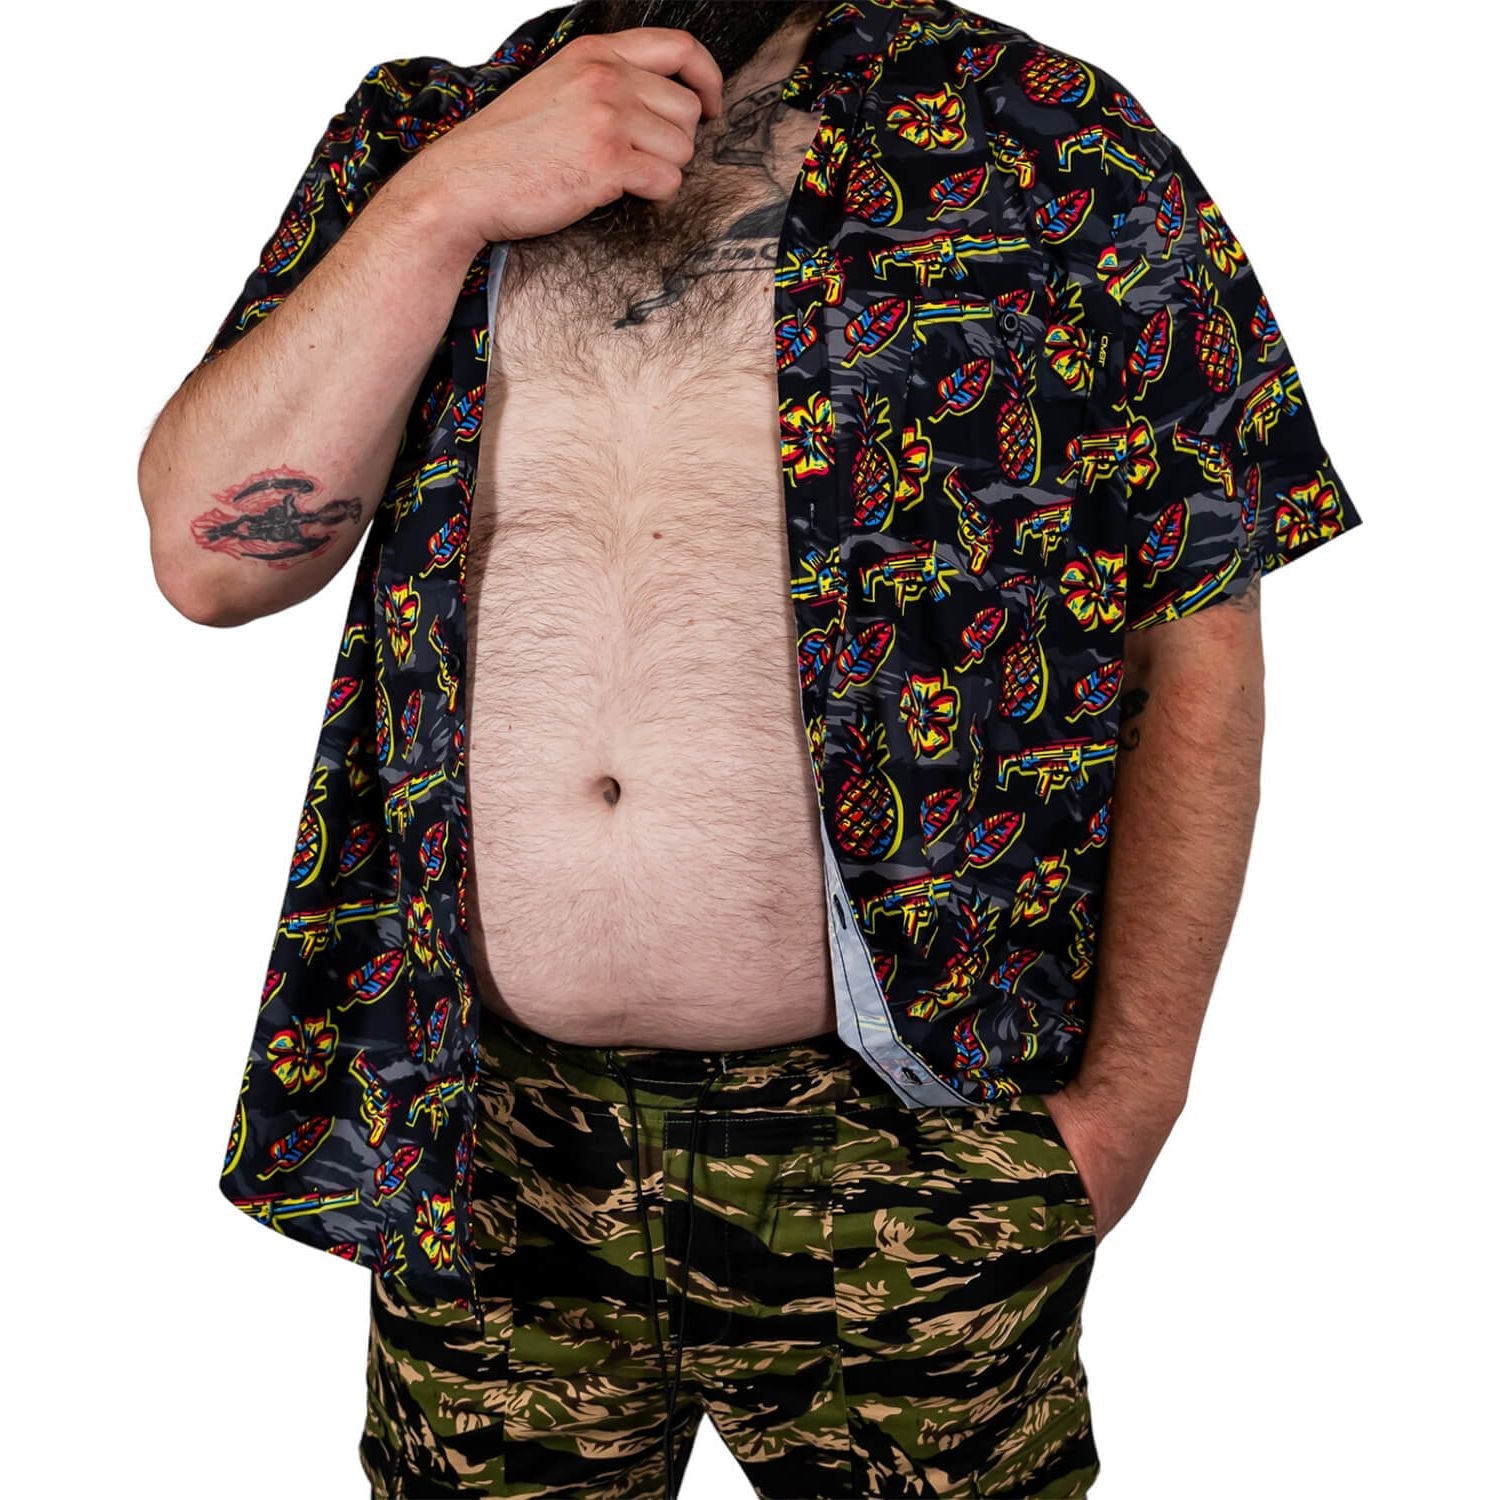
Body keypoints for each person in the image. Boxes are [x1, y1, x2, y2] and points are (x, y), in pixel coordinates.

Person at [137, 1, 1363, 1495]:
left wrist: (1125, 1112)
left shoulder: (1053, 140)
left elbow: (1198, 653)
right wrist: (447, 198)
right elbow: (212, 562)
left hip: (913, 1143)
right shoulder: (426, 132)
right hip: (486, 1140)